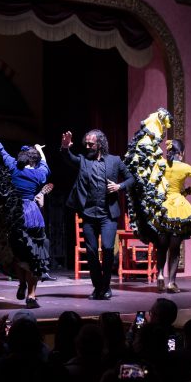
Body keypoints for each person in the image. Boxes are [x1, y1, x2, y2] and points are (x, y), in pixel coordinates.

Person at [0, 114, 51, 308]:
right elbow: (45, 165)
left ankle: (21, 283)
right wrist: (39, 150)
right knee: (34, 255)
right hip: (32, 215)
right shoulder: (39, 173)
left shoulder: (13, 167)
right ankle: (31, 295)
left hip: (14, 213)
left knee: (20, 255)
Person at [60, 128, 134, 300]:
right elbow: (68, 158)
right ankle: (98, 287)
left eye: (91, 143)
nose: (87, 146)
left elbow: (131, 178)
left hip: (108, 215)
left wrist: (119, 186)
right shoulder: (84, 161)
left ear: (100, 143)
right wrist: (65, 148)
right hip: (88, 214)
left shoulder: (115, 161)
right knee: (92, 252)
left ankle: (106, 286)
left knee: (108, 249)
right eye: (86, 143)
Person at [152, 139, 191, 292]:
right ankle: (171, 283)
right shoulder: (184, 167)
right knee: (174, 249)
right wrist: (188, 191)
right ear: (181, 154)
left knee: (161, 246)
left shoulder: (160, 163)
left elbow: (151, 181)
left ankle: (160, 275)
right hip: (178, 206)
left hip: (162, 207)